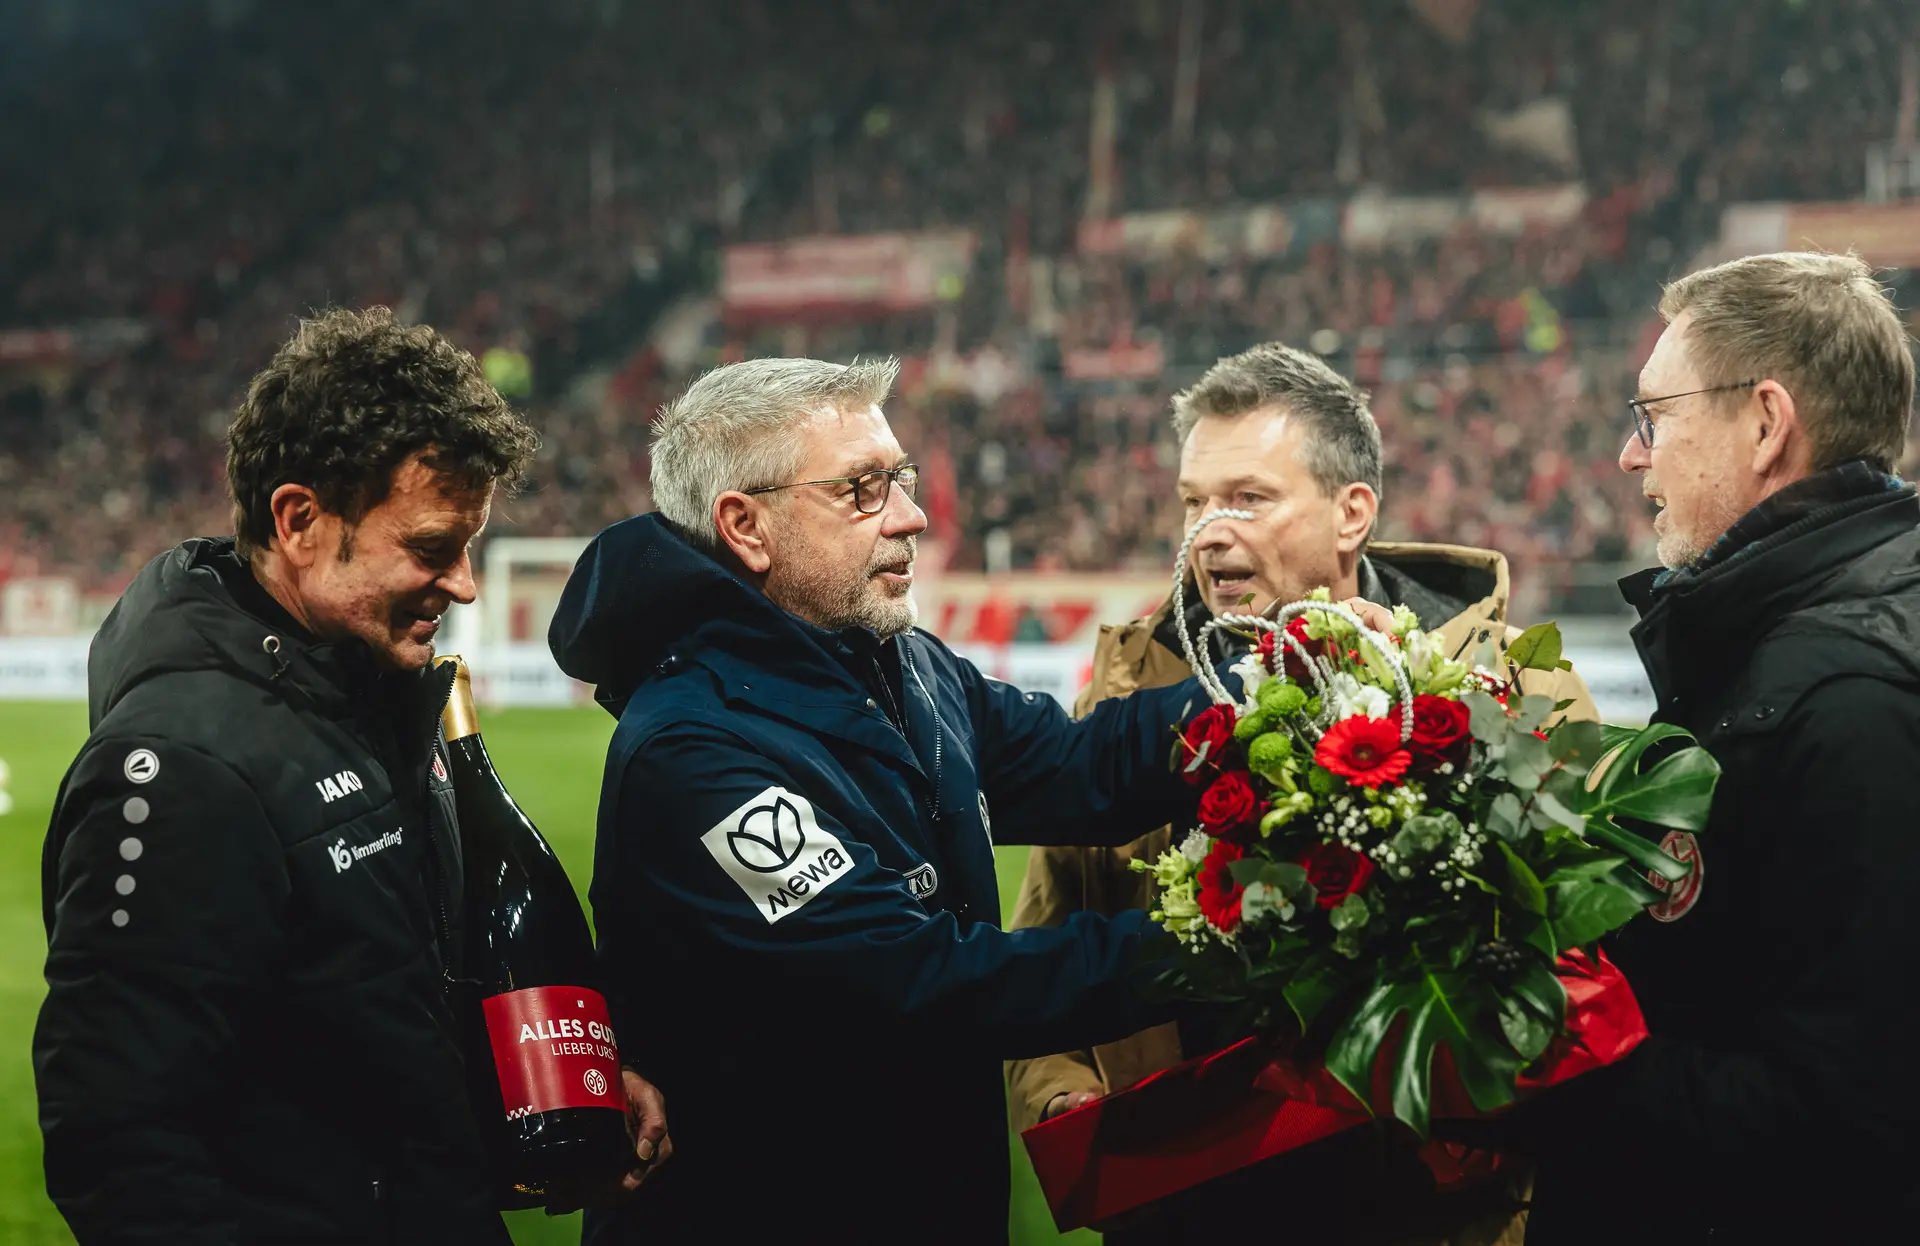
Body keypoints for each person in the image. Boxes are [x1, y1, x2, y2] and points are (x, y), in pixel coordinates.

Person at [548, 356, 1242, 1245]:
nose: (912, 515)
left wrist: (1271, 687)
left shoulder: (901, 664)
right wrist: (1223, 945)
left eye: (902, 478)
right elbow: (923, 984)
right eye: (862, 489)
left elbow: (1081, 764)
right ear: (746, 526)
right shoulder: (693, 751)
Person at [33, 307, 666, 1245]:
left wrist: (553, 1091)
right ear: (300, 522)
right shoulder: (183, 769)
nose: (465, 584)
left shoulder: (374, 700)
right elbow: (118, 1143)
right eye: (431, 547)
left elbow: (380, 1017)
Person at [1004, 341, 1596, 1244]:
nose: (1209, 532)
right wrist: (1062, 1097)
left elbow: (1592, 953)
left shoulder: (1515, 685)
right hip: (1189, 1209)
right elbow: (1048, 937)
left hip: (1433, 1214)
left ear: (1351, 512)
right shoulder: (1125, 702)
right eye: (1194, 502)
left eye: (1247, 498)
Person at [1477, 251, 1920, 1243]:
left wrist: (1527, 1069)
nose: (1630, 456)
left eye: (1654, 416)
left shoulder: (1854, 700)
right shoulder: (1777, 639)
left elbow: (1844, 1133)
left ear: (1766, 424)